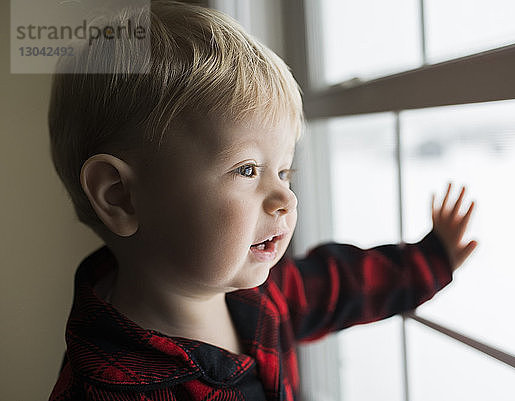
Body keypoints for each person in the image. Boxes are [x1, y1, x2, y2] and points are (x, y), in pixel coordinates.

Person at [48, 2, 477, 400]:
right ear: (120, 196)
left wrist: (430, 260)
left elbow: (339, 285)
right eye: (247, 169)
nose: (286, 197)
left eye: (284, 172)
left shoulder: (262, 292)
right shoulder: (103, 389)